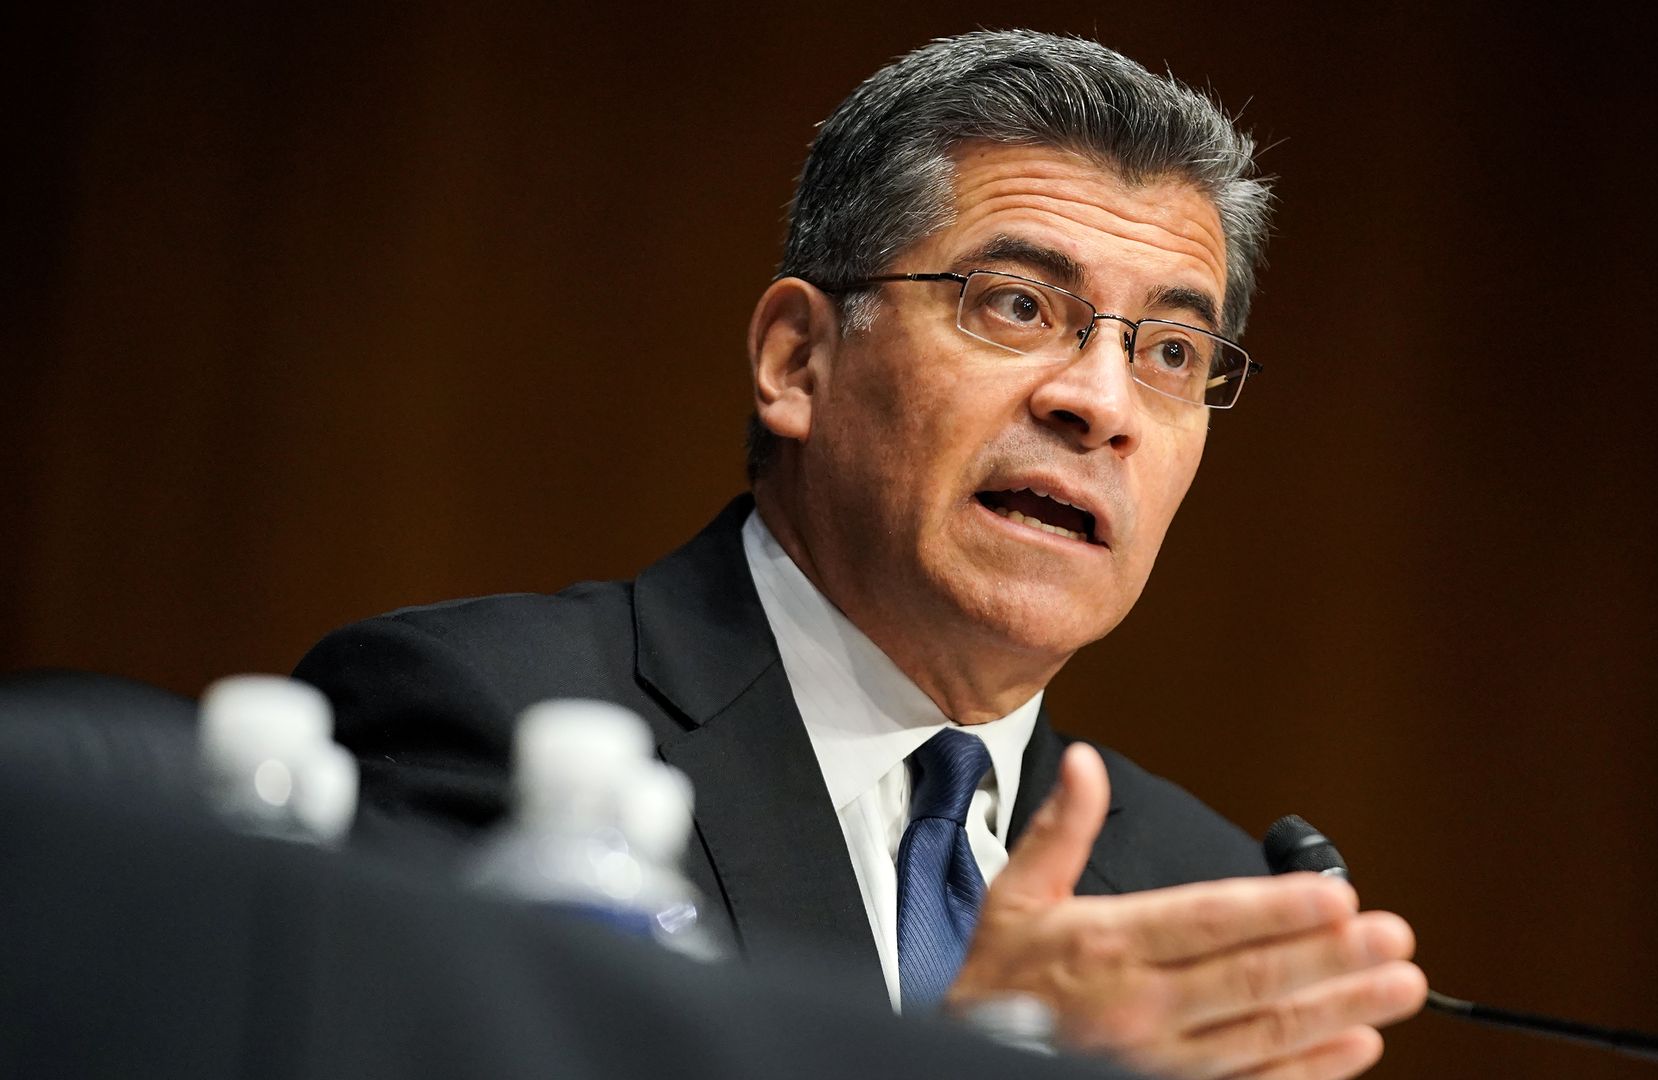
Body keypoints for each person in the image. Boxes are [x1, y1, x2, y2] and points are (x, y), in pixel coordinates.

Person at [295, 29, 1427, 1080]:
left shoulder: (1201, 901)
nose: (1100, 402)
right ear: (798, 360)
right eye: (1019, 305)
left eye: (1174, 351)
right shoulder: (479, 723)